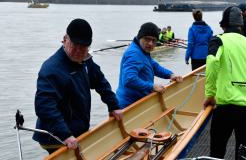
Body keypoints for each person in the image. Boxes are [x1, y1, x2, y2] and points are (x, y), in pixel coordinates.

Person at [33, 19, 123, 154]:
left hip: (76, 130)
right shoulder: (51, 69)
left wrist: (113, 106)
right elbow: (44, 107)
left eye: (84, 47)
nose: (79, 51)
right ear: (64, 39)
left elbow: (100, 81)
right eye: (75, 45)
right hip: (54, 136)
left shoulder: (85, 59)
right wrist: (65, 135)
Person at [204, 6, 246, 159]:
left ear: (223, 26)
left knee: (217, 152)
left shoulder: (218, 40)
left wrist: (210, 94)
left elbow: (211, 63)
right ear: (241, 25)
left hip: (226, 105)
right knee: (244, 154)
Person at [116, 22, 183, 109]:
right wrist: (152, 86)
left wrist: (170, 74)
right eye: (147, 39)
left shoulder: (142, 51)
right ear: (140, 37)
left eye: (154, 40)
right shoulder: (134, 54)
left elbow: (154, 66)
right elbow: (129, 79)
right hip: (129, 105)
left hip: (138, 101)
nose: (150, 43)